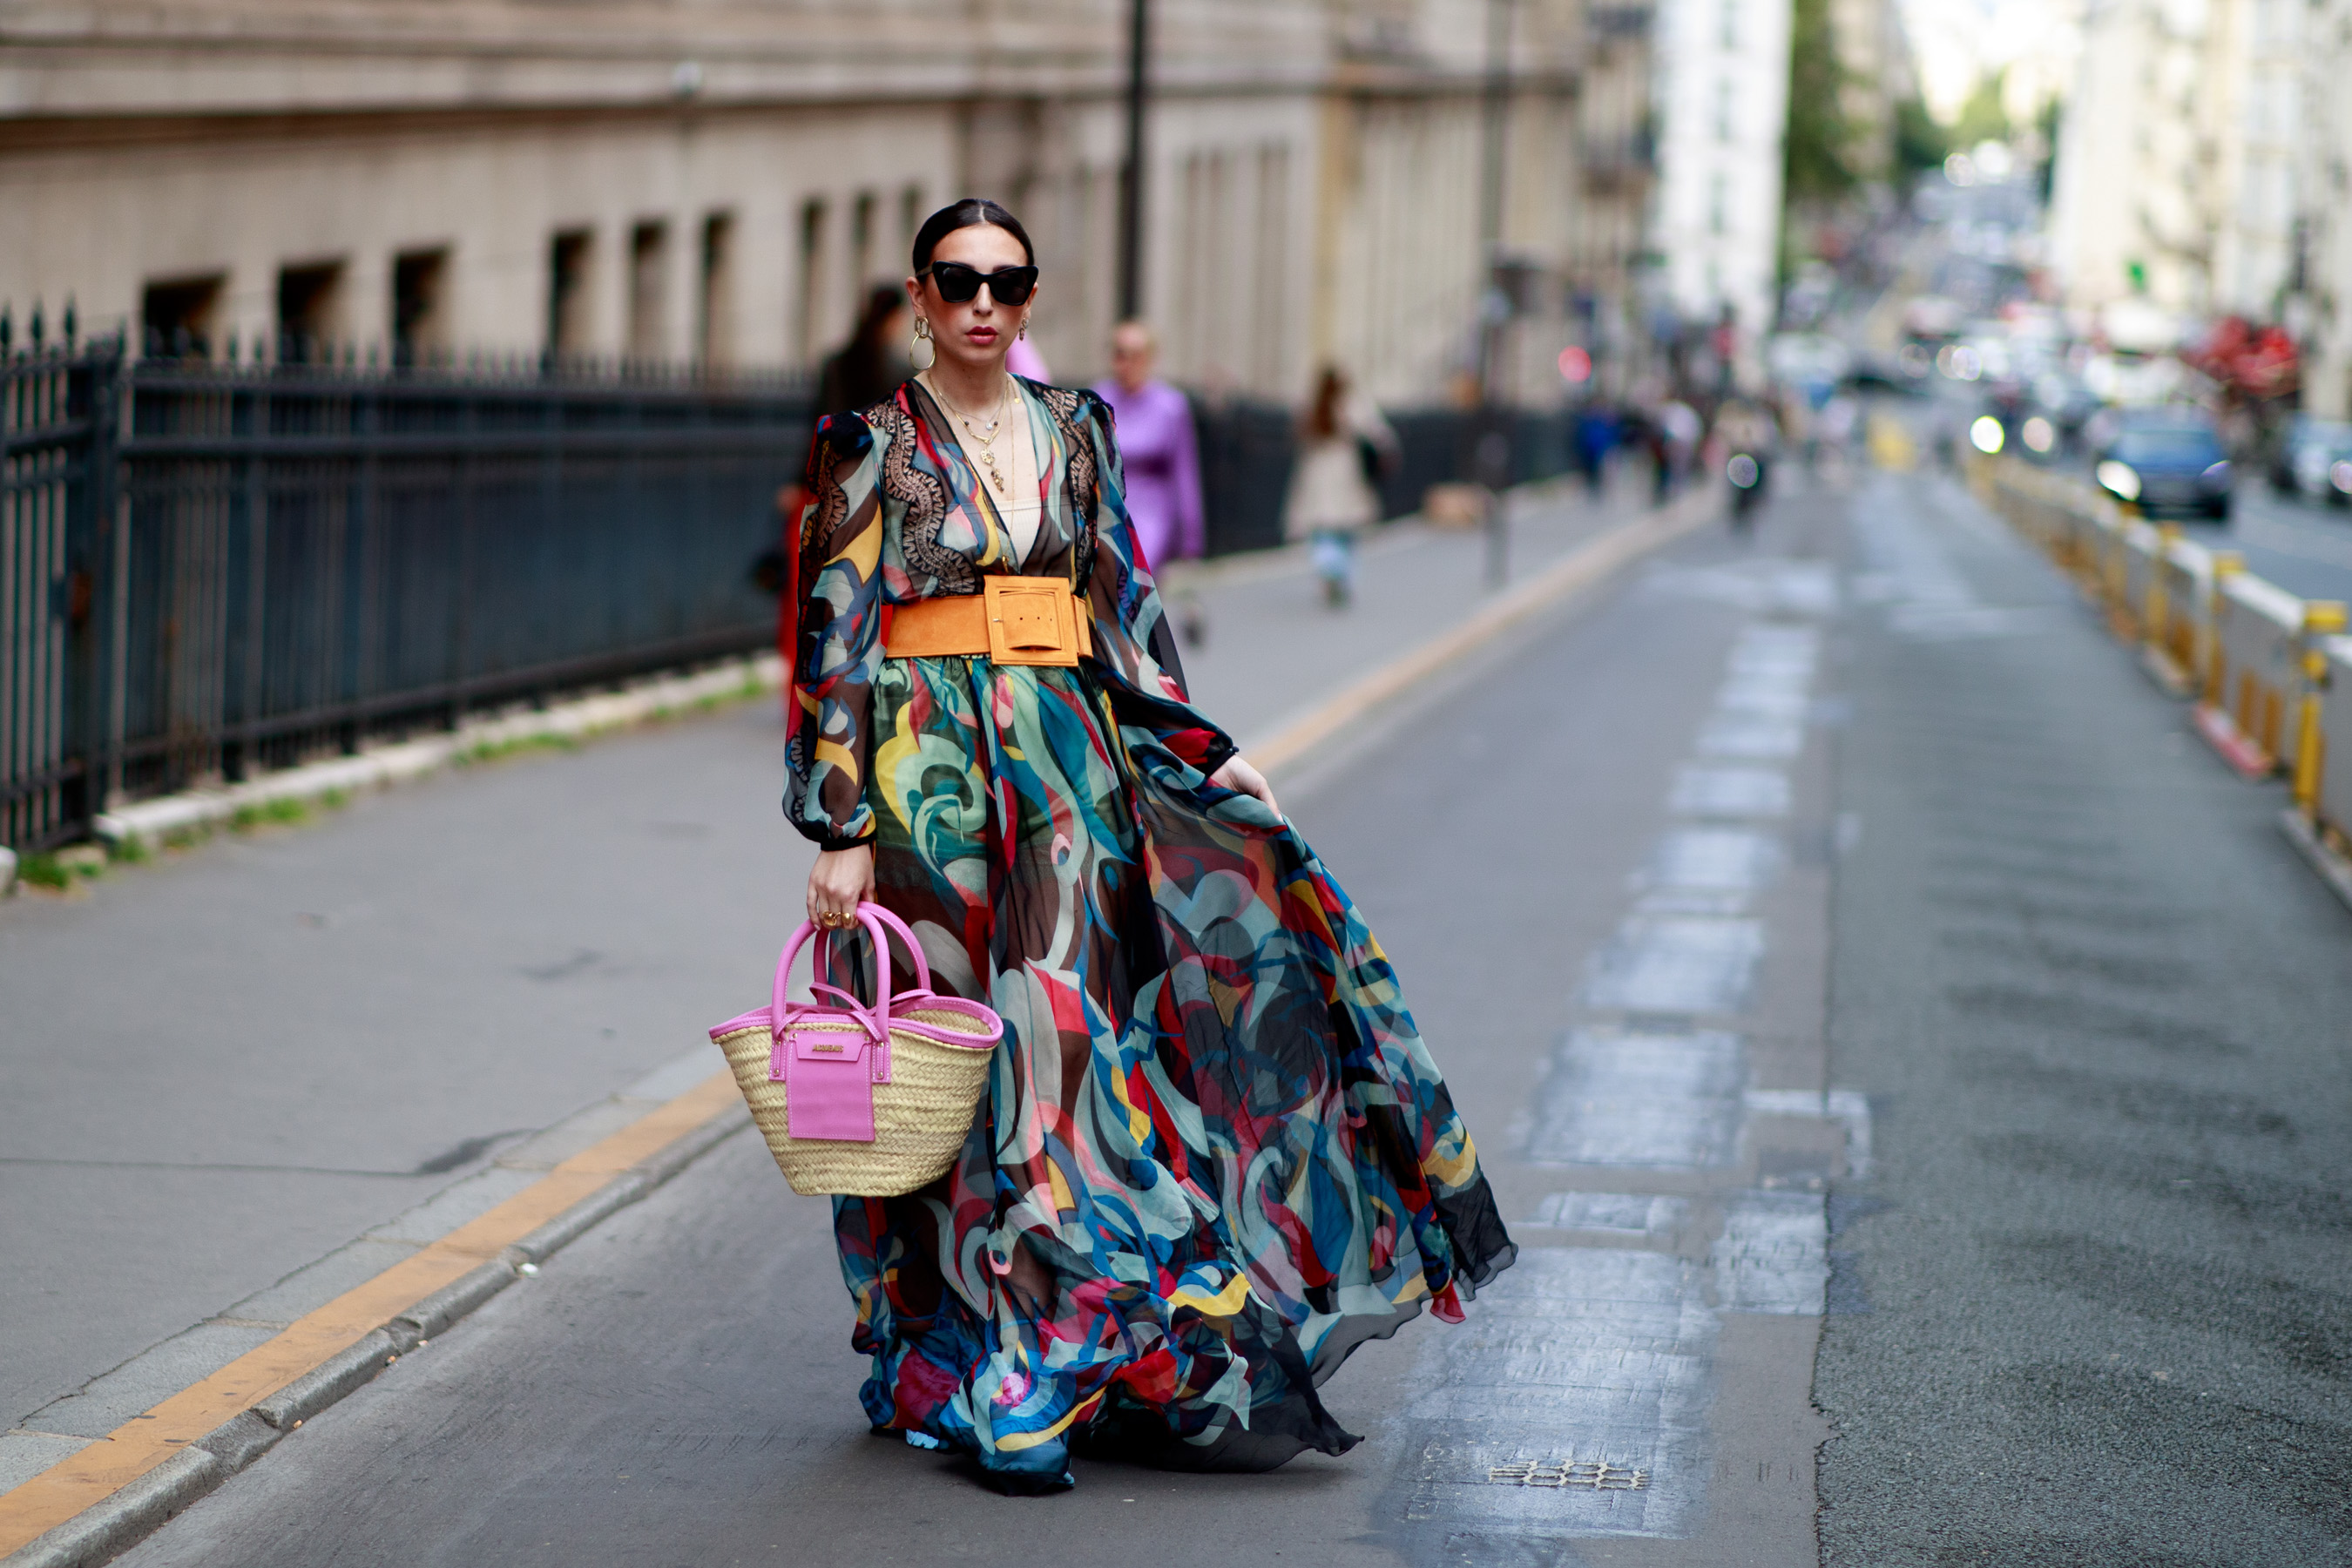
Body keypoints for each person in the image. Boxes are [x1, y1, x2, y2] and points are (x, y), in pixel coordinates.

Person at [787, 199, 1513, 1495]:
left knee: (1057, 1044)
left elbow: (1123, 602)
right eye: (957, 280)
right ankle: (955, 1345)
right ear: (918, 293)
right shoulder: (869, 444)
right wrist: (835, 827)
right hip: (927, 790)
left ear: (1029, 295)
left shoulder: (1076, 432)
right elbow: (833, 640)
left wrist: (1200, 743)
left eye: (1007, 281)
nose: (983, 303)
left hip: (1068, 764)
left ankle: (1052, 1339)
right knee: (952, 1068)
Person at [1092, 321, 1206, 643]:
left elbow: (1184, 471)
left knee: (1133, 581)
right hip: (1106, 502)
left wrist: (1191, 535)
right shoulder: (1097, 397)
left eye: (1134, 355)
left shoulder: (1170, 406)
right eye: (1119, 353)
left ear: (1150, 359)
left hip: (1152, 508)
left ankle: (1134, 654)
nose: (1125, 363)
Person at [1282, 365, 1396, 608]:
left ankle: (1329, 572)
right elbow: (1378, 432)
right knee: (1345, 531)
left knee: (1322, 529)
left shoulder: (1311, 405)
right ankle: (1340, 574)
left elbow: (1296, 434)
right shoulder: (1351, 405)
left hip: (1317, 475)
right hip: (1346, 474)